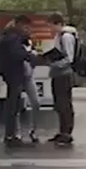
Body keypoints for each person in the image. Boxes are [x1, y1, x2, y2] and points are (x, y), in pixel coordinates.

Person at [0, 14, 33, 147]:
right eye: (25, 26)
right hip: (13, 73)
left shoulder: (8, 36)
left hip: (9, 73)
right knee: (13, 105)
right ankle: (10, 134)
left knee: (13, 104)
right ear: (19, 25)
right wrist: (33, 58)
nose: (27, 29)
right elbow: (17, 54)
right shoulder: (13, 38)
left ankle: (11, 133)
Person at [47, 13, 78, 147]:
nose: (50, 30)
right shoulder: (59, 36)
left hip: (64, 74)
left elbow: (69, 58)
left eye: (51, 26)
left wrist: (54, 64)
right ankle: (62, 131)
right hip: (58, 74)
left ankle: (67, 132)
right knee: (59, 104)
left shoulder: (66, 37)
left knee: (64, 103)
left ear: (58, 24)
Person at [18, 23, 42, 144]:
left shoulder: (30, 44)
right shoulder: (16, 44)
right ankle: (17, 131)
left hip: (29, 76)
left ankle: (33, 130)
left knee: (36, 102)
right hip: (17, 76)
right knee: (16, 104)